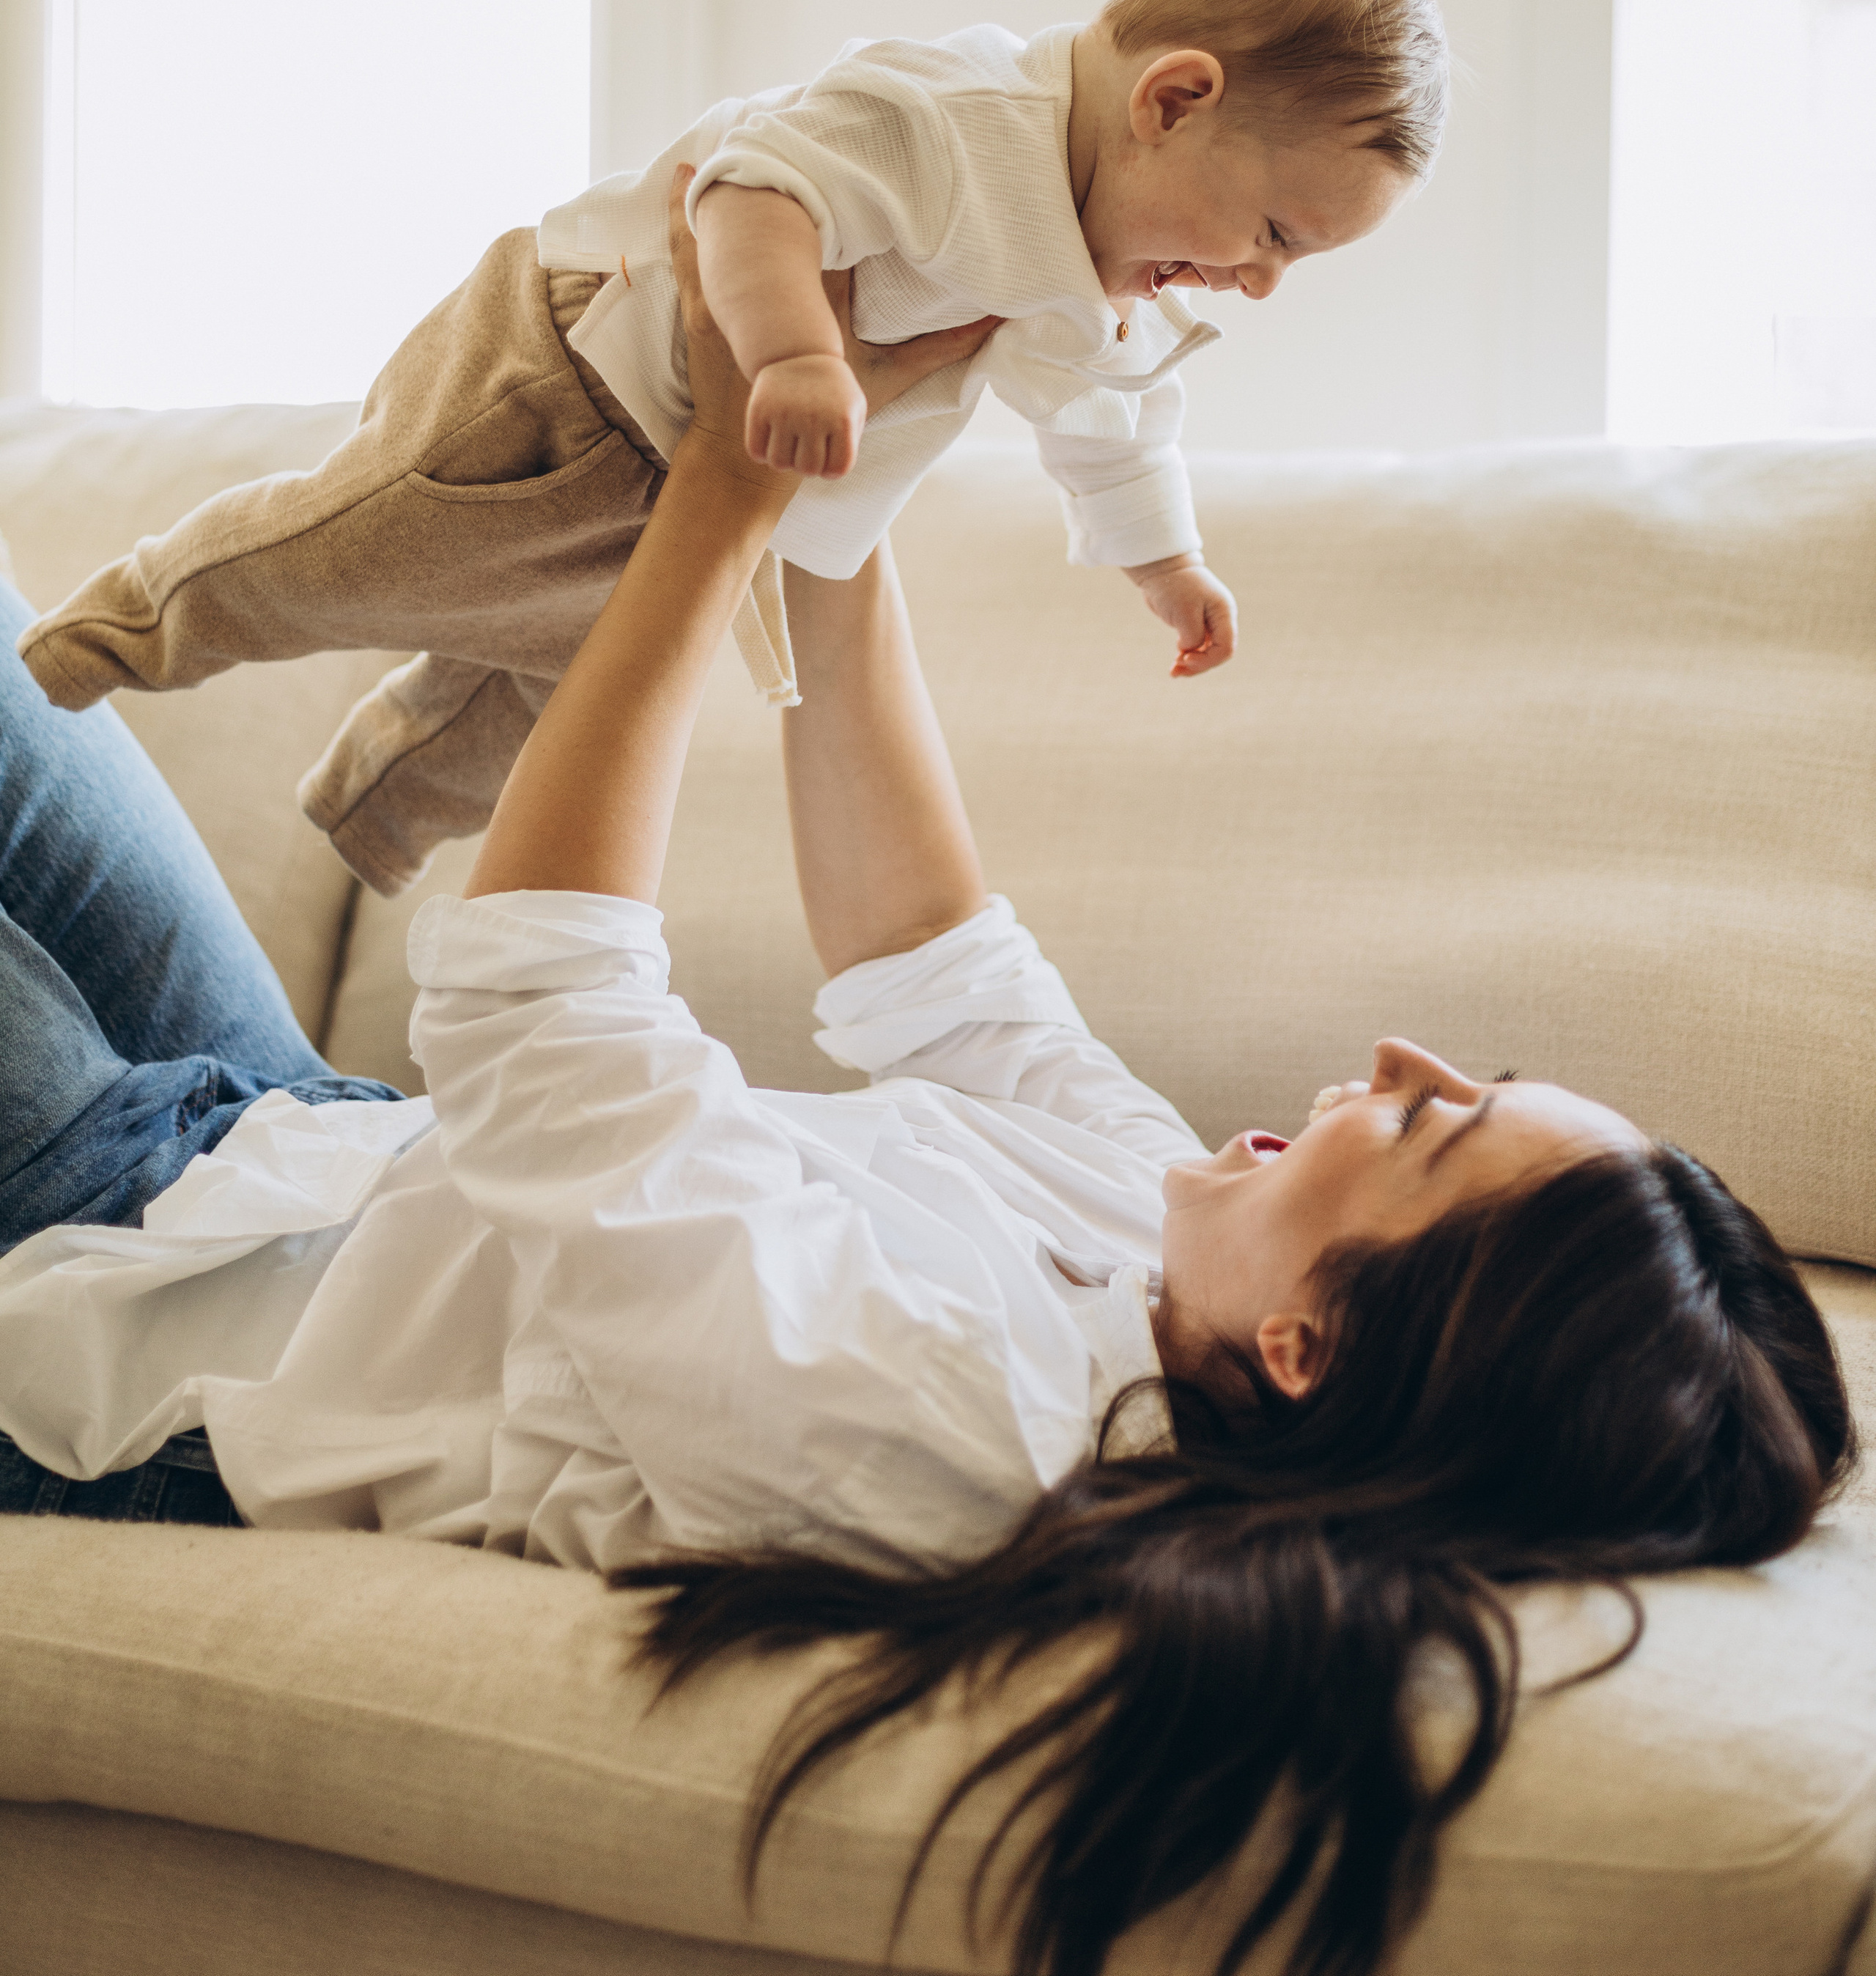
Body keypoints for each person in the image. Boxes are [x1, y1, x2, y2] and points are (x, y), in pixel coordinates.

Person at [0, 196, 1850, 1976]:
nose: (1396, 1059)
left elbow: (539, 1016)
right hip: (293, 1138)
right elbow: (933, 958)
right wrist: (841, 484)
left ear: (1311, 1348)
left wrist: (716, 506)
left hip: (116, 1296)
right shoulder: (1166, 1240)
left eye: (1434, 1127)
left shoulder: (935, 1444)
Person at [14, 0, 1446, 900]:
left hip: (688, 501)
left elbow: (1113, 416)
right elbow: (753, 191)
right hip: (570, 376)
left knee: (537, 700)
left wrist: (1164, 565)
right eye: (1271, 238)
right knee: (344, 555)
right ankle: (127, 623)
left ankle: (367, 824)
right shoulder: (951, 117)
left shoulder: (1099, 271)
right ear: (1173, 99)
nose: (1256, 286)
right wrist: (799, 355)